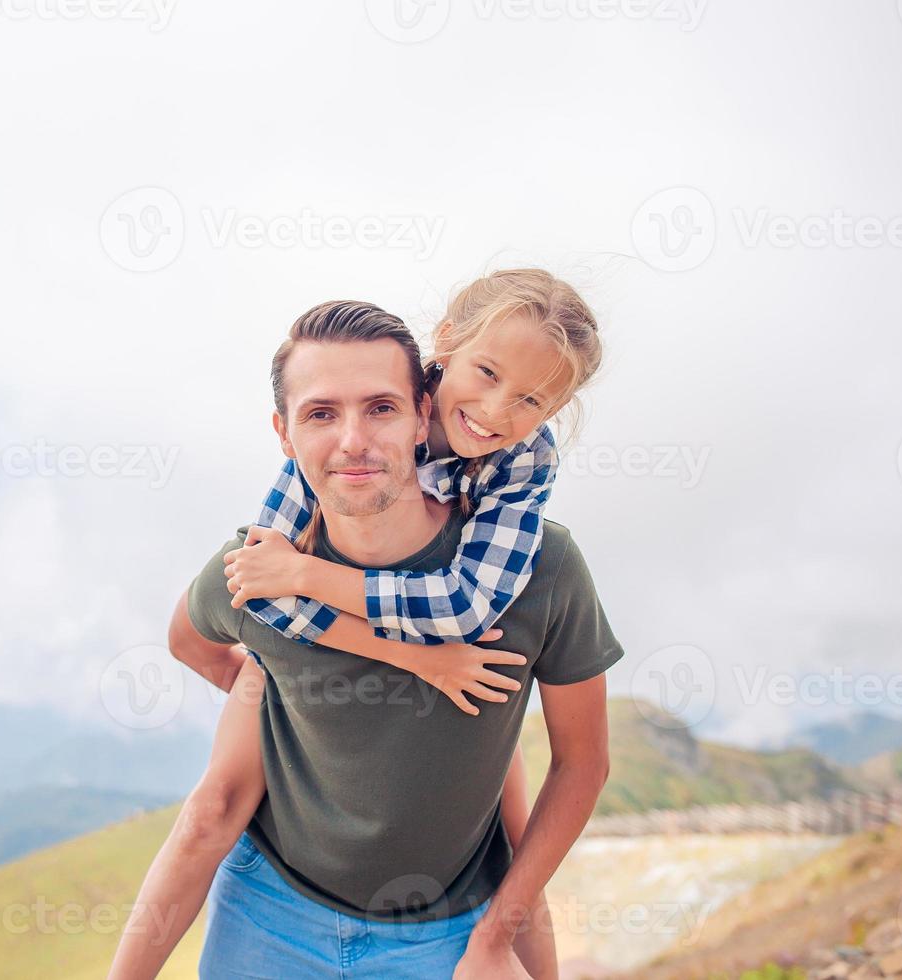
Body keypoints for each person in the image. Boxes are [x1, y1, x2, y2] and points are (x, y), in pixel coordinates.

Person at [110, 289, 621, 978]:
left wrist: (498, 939)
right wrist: (265, 688)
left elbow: (578, 763)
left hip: (445, 936)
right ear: (285, 435)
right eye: (321, 413)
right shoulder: (267, 556)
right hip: (269, 913)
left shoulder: (539, 562)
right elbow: (193, 638)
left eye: (381, 407)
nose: (353, 439)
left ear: (417, 413)